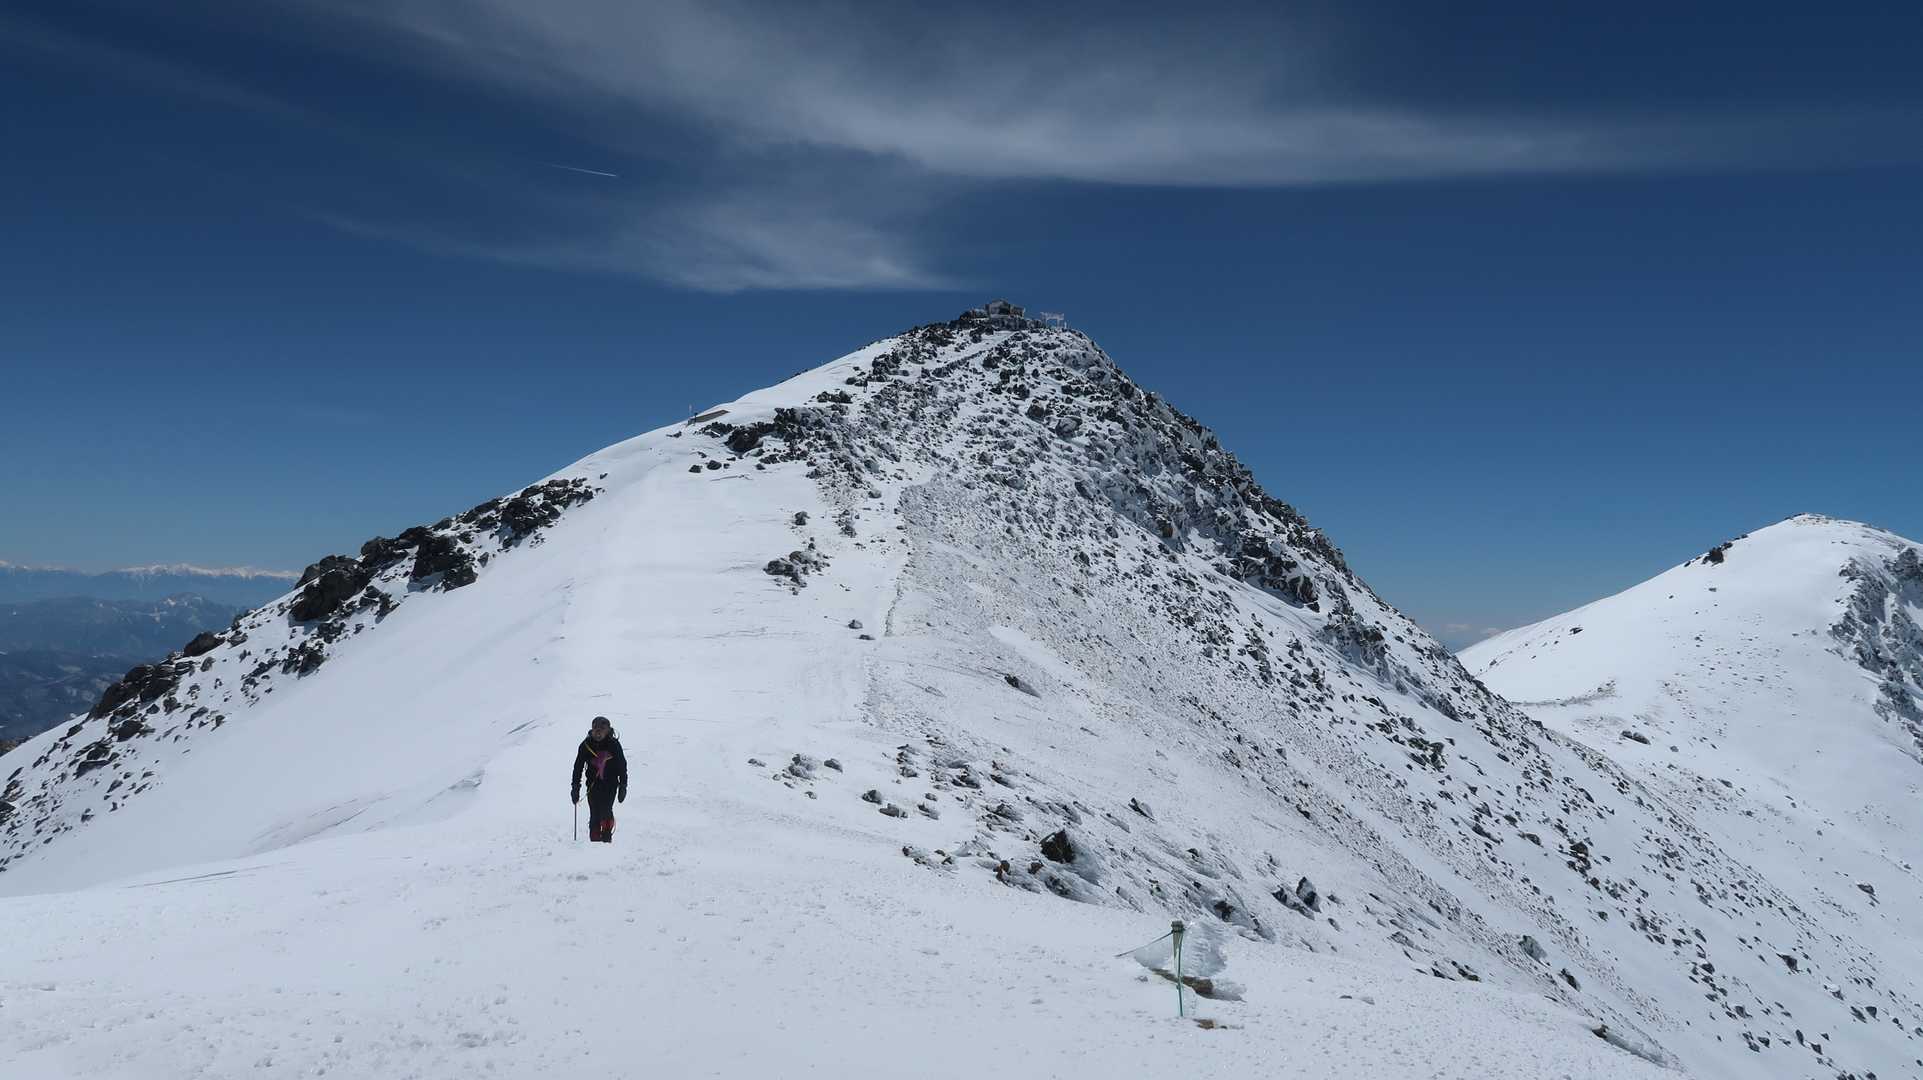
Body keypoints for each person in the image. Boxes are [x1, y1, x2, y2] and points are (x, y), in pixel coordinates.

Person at [571, 716, 627, 843]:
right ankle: (594, 839)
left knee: (606, 808)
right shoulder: (586, 745)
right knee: (594, 811)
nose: (598, 732)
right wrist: (575, 787)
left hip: (610, 784)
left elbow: (622, 766)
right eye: (596, 729)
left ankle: (607, 834)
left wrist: (623, 785)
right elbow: (578, 767)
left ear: (608, 730)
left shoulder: (613, 745)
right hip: (593, 785)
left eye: (601, 729)